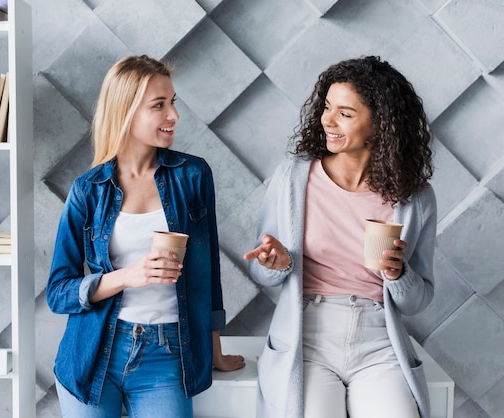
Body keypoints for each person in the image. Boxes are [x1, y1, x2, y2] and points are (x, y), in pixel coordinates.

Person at [47, 54, 244, 418]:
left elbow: (208, 274)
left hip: (166, 353)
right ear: (126, 112)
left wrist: (214, 352)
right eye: (159, 105)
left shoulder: (193, 176)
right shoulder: (88, 190)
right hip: (93, 353)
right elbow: (58, 293)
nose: (174, 116)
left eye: (172, 103)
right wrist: (128, 276)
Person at [243, 56, 436, 418]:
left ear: (381, 125)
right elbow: (262, 271)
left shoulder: (414, 198)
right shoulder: (293, 179)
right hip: (308, 339)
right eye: (327, 107)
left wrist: (398, 274)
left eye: (345, 113)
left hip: (380, 343)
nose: (327, 120)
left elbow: (418, 299)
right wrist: (276, 264)